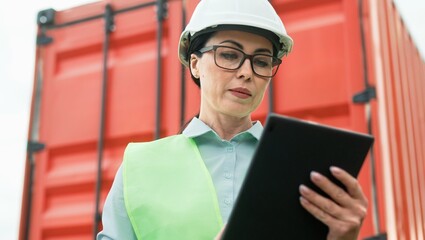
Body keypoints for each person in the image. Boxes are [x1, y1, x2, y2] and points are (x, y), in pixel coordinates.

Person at [97, 0, 368, 239]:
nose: (247, 72)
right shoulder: (140, 167)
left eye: (261, 61)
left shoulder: (301, 165)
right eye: (229, 54)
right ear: (194, 64)